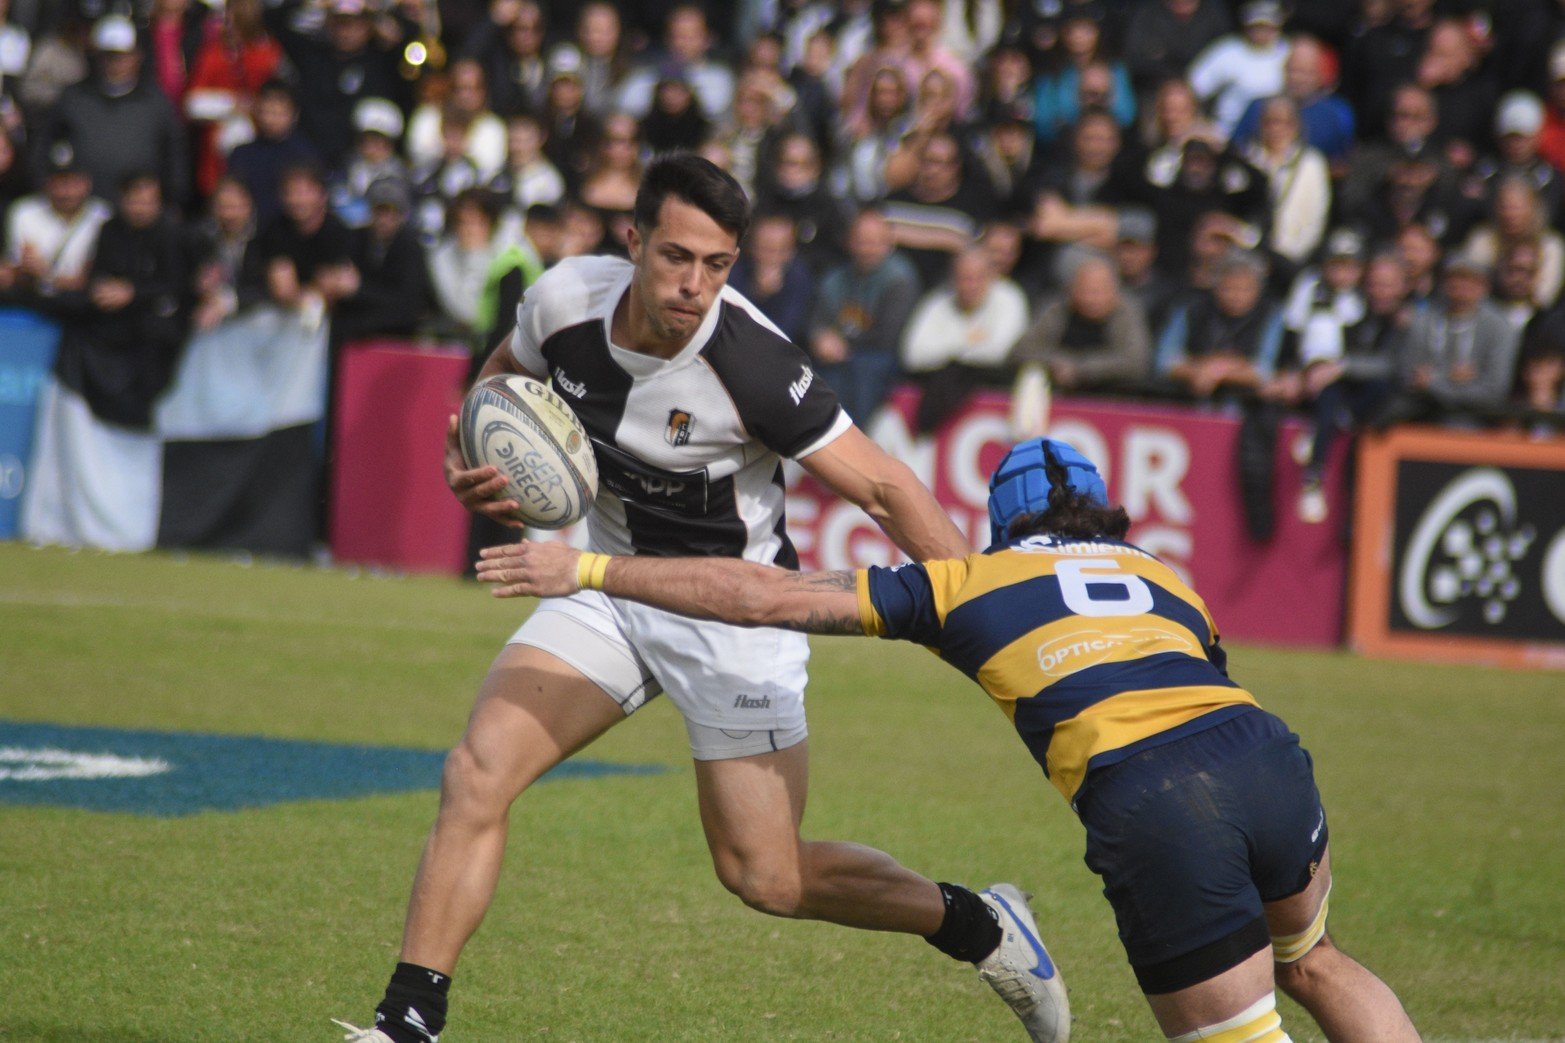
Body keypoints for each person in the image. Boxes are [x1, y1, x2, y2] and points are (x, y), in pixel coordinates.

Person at [335, 153, 1070, 1043]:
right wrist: (474, 457)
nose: (693, 286)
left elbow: (884, 488)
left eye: (716, 265)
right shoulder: (564, 298)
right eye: (676, 257)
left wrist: (983, 607)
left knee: (767, 877)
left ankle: (980, 924)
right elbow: (499, 382)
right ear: (634, 240)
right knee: (477, 770)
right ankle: (408, 1020)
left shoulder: (751, 363)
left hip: (736, 618)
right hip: (603, 585)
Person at [475, 436, 1422, 1043]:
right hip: (1265, 756)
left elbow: (761, 595)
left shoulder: (967, 580)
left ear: (1001, 522)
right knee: (1311, 960)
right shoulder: (1163, 571)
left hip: (1158, 802)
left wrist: (588, 565)